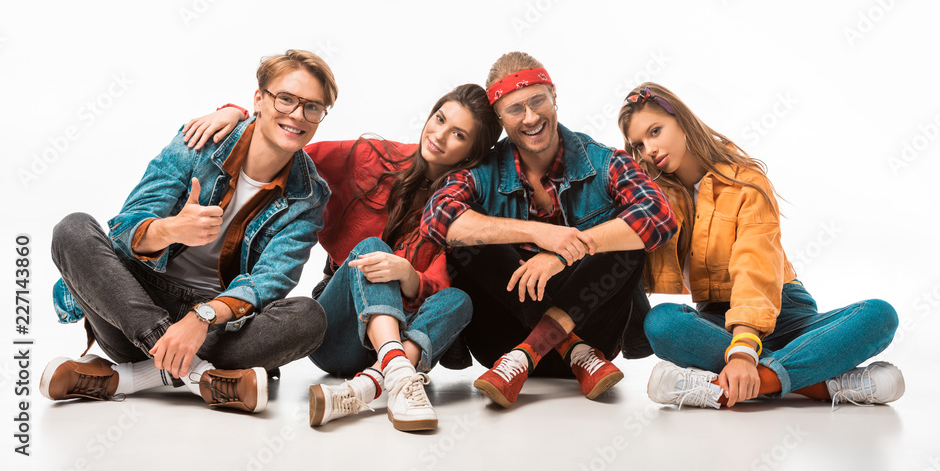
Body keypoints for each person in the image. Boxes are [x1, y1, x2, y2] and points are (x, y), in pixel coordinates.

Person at [185, 84, 502, 430]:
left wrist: (408, 274)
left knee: (459, 299)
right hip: (340, 332)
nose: (439, 135)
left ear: (472, 154)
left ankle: (372, 384)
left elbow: (438, 284)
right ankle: (397, 373)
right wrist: (242, 114)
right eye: (440, 119)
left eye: (458, 134)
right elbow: (283, 147)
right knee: (371, 248)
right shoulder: (375, 157)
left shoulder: (459, 209)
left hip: (401, 333)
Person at [41, 50, 336, 414]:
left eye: (312, 107)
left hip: (215, 327)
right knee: (72, 228)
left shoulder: (309, 196)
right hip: (134, 312)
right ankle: (200, 376)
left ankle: (127, 378)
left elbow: (269, 282)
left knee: (310, 317)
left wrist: (202, 317)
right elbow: (124, 228)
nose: (296, 115)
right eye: (286, 99)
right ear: (259, 99)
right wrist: (171, 229)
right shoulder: (200, 140)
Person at [617, 83, 903, 409]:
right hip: (716, 321)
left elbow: (755, 264)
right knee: (662, 324)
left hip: (785, 311)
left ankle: (727, 388)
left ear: (681, 121)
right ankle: (822, 382)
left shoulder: (745, 180)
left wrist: (742, 351)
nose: (649, 149)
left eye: (655, 131)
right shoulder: (657, 201)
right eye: (638, 145)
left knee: (879, 315)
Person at [420, 52, 678, 409]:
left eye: (537, 101)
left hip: (592, 335)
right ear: (499, 118)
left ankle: (533, 352)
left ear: (554, 96)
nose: (530, 117)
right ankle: (564, 345)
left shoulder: (604, 162)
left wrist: (564, 252)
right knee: (466, 235)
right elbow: (437, 219)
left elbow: (659, 215)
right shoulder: (483, 171)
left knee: (627, 233)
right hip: (502, 342)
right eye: (515, 109)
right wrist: (538, 234)